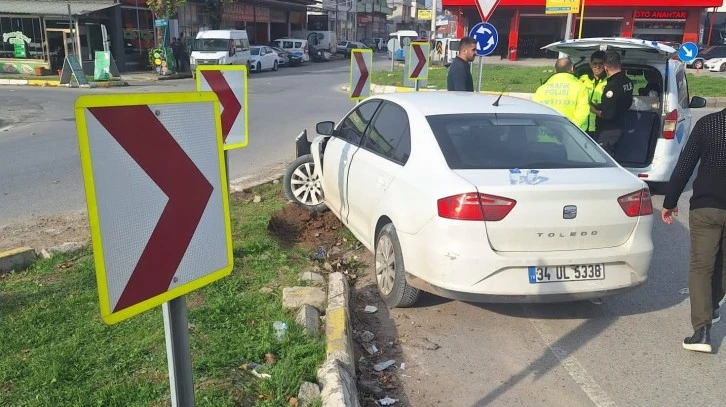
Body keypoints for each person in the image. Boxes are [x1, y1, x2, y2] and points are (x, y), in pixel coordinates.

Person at [662, 108, 726, 354]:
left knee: (701, 267)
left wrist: (669, 202)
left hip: (706, 206)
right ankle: (710, 306)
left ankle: (702, 330)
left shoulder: (708, 124)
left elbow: (685, 165)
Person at [589, 51, 633, 156]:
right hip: (621, 125)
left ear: (605, 67)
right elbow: (623, 103)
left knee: (603, 157)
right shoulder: (628, 81)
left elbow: (608, 115)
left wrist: (593, 110)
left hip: (608, 130)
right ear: (619, 64)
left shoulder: (612, 86)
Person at [532, 57, 590, 132]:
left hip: (544, 133)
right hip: (569, 135)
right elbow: (582, 112)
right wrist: (571, 130)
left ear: (555, 70)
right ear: (572, 69)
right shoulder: (579, 87)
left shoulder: (542, 88)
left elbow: (535, 111)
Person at [579, 51, 608, 139]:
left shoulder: (609, 81)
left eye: (600, 64)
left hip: (600, 127)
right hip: (581, 127)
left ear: (605, 65)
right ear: (590, 64)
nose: (597, 66)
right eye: (595, 63)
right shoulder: (582, 80)